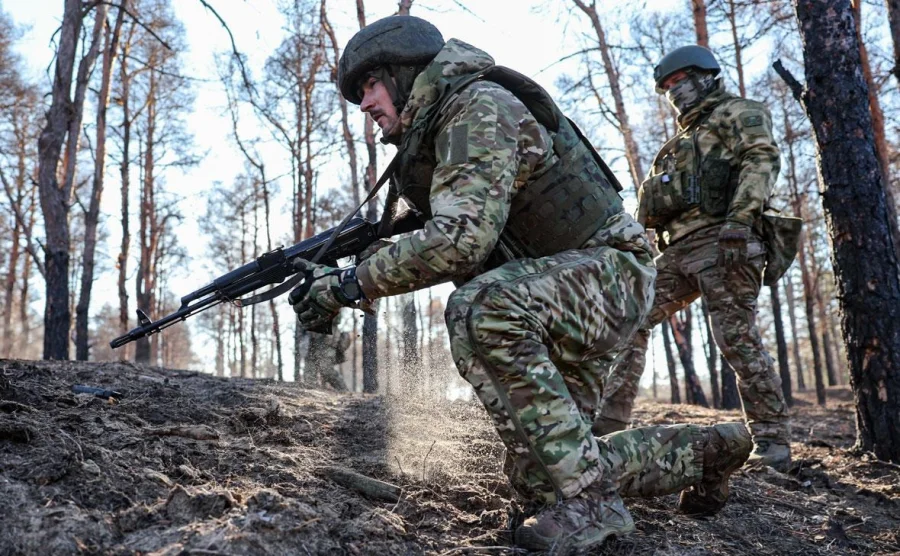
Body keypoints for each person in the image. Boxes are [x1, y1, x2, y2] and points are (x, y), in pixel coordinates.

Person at [288, 17, 751, 551]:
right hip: (560, 292)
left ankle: (595, 505)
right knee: (544, 478)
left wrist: (349, 285)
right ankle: (713, 449)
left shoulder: (476, 107)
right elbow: (458, 238)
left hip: (609, 275)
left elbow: (459, 241)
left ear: (403, 73)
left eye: (369, 86)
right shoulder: (437, 137)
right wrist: (353, 273)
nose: (364, 104)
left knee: (479, 308)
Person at [594, 45, 791, 471]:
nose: (674, 92)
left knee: (735, 338)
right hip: (677, 251)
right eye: (667, 87)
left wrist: (739, 221)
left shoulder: (736, 113)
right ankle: (607, 425)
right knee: (631, 317)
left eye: (679, 81)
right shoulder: (677, 144)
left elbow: (761, 158)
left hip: (726, 241)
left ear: (706, 76)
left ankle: (773, 443)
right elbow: (651, 208)